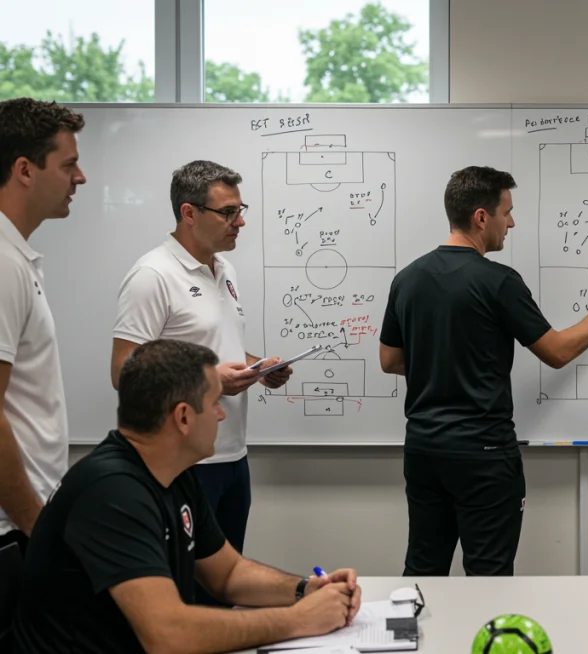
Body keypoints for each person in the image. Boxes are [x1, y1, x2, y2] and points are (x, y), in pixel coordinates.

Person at [13, 339, 361, 653]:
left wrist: (305, 590)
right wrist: (299, 620)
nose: (222, 414)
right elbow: (167, 635)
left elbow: (228, 575)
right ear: (183, 417)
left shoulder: (174, 473)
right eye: (214, 403)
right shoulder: (111, 492)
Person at [380, 165, 588, 576]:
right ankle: (481, 642)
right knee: (489, 573)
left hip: (424, 450)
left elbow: (390, 360)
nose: (511, 223)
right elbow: (556, 352)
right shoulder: (498, 281)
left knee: (424, 567)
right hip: (484, 453)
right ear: (481, 217)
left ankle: (419, 640)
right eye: (506, 212)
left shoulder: (407, 278)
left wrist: (444, 361)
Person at [110, 160, 293, 602]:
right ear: (189, 213)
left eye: (240, 209)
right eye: (228, 212)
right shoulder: (152, 275)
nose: (241, 221)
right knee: (189, 597)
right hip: (184, 464)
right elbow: (123, 370)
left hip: (231, 454)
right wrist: (213, 379)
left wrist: (257, 367)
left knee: (226, 591)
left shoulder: (223, 270)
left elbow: (220, 350)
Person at [0, 98, 86, 556]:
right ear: (25, 170)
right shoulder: (2, 263)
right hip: (11, 528)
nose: (80, 177)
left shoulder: (17, 258)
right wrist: (38, 526)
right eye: (69, 164)